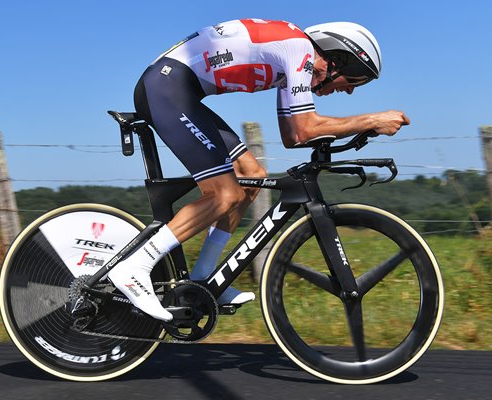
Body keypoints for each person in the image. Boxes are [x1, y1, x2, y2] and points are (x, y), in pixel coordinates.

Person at [108, 19, 410, 321]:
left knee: (251, 178)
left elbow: (292, 136)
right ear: (338, 58)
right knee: (223, 195)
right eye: (355, 80)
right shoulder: (298, 50)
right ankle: (136, 266)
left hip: (179, 92)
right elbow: (304, 130)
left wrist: (355, 127)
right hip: (166, 89)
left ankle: (203, 279)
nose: (349, 92)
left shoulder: (294, 57)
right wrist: (372, 120)